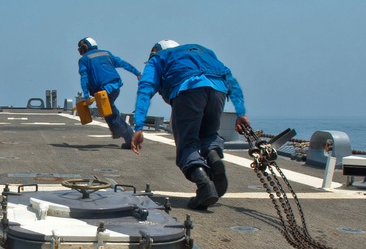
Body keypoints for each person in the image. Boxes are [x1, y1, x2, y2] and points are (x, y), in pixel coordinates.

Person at [129, 40, 251, 210]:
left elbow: (145, 87)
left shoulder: (158, 58)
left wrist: (139, 126)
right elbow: (229, 78)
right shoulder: (203, 51)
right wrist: (241, 113)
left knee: (187, 145)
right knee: (209, 134)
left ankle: (204, 186)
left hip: (188, 90)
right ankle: (214, 157)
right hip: (218, 91)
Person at [77, 36, 141, 144]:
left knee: (112, 116)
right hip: (115, 87)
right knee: (107, 111)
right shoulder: (107, 54)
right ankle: (116, 131)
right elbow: (123, 63)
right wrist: (137, 73)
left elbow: (84, 78)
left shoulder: (84, 60)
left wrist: (87, 96)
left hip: (104, 91)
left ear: (84, 47)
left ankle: (131, 139)